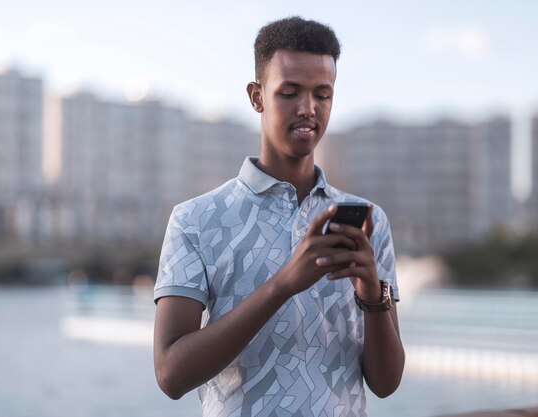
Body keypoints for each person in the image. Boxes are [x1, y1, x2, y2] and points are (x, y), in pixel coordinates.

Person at [153, 16, 405, 417]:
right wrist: (285, 283)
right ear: (257, 97)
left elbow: (386, 384)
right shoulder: (195, 220)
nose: (308, 109)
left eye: (323, 94)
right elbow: (171, 375)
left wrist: (373, 295)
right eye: (290, 92)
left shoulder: (369, 221)